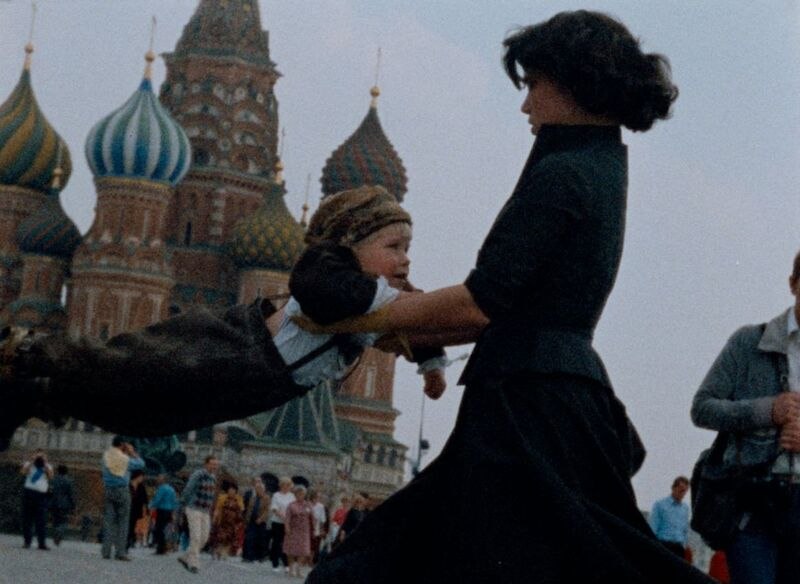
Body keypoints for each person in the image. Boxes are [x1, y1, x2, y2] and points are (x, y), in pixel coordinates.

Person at [299, 10, 715, 584]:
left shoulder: (563, 173)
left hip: (528, 406)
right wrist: (400, 327)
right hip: (551, 397)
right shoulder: (599, 164)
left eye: (534, 85)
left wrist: (360, 313)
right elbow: (499, 311)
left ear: (574, 83)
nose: (526, 105)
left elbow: (480, 303)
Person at [0, 186, 448, 453]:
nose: (405, 259)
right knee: (130, 368)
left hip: (261, 384)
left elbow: (418, 323)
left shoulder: (389, 298)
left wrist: (431, 367)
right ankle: (27, 352)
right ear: (349, 244)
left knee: (148, 418)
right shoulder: (330, 269)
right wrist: (380, 296)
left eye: (408, 249)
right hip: (234, 345)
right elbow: (321, 294)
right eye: (394, 247)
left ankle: (36, 396)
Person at [691, 250, 800, 584]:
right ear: (793, 284)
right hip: (753, 505)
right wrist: (767, 410)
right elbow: (702, 408)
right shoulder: (749, 343)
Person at [101, 436, 144, 561]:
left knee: (109, 521)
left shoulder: (106, 456)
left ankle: (106, 551)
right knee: (123, 522)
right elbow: (141, 464)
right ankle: (120, 552)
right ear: (122, 445)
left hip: (108, 490)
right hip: (122, 490)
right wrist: (132, 452)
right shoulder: (125, 459)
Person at [178, 455, 218, 574]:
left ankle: (186, 556)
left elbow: (212, 495)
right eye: (212, 464)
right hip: (194, 508)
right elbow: (189, 488)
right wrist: (183, 503)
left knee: (204, 538)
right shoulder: (198, 474)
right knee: (195, 536)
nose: (214, 466)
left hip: (205, 511)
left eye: (216, 465)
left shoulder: (213, 478)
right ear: (206, 464)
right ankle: (194, 563)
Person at [649, 476, 691, 558]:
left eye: (685, 491)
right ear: (673, 488)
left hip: (679, 549)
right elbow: (653, 528)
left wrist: (685, 546)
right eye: (681, 489)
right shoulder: (660, 505)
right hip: (663, 546)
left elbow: (685, 530)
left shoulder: (685, 509)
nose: (683, 493)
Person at [20, 448, 53, 550]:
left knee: (41, 520)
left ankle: (41, 543)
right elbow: (23, 472)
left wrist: (45, 464)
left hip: (41, 495)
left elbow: (51, 476)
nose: (40, 458)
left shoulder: (47, 466)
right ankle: (27, 541)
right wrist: (32, 462)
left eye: (42, 456)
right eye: (38, 455)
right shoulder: (28, 464)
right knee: (27, 519)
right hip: (29, 492)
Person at [283, 484, 313, 578]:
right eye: (298, 494)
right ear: (295, 494)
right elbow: (287, 518)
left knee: (303, 551)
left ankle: (298, 569)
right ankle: (291, 569)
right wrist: (287, 527)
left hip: (304, 531)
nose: (300, 495)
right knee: (291, 550)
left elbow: (312, 516)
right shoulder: (291, 505)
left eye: (302, 494)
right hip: (293, 530)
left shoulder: (308, 504)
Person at [210, 480, 244, 559]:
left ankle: (224, 553)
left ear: (236, 491)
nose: (231, 491)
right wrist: (215, 517)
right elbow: (217, 508)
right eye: (230, 489)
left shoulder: (239, 499)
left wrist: (239, 523)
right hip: (222, 521)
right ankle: (217, 551)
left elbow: (241, 510)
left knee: (229, 539)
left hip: (232, 523)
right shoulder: (222, 497)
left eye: (233, 490)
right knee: (220, 537)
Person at [269, 476, 295, 573]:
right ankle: (275, 564)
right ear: (281, 485)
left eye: (288, 485)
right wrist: (283, 517)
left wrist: (289, 519)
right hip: (277, 522)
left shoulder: (292, 496)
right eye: (284, 484)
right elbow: (274, 508)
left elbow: (293, 508)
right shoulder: (276, 495)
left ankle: (286, 564)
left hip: (288, 523)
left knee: (286, 543)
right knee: (276, 542)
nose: (286, 486)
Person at [241, 478, 270, 563]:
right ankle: (247, 556)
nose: (259, 491)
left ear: (264, 490)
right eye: (257, 489)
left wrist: (261, 518)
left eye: (261, 489)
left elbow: (267, 510)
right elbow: (249, 509)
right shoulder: (253, 498)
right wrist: (246, 519)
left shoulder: (266, 498)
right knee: (249, 538)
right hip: (251, 520)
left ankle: (259, 556)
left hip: (261, 521)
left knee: (260, 539)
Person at [149, 474, 178, 555]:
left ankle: (161, 548)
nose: (157, 479)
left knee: (158, 529)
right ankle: (162, 547)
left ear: (163, 480)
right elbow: (174, 501)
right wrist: (173, 512)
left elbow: (157, 499)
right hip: (169, 511)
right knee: (163, 529)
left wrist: (151, 506)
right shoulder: (172, 489)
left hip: (162, 510)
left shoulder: (161, 488)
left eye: (159, 478)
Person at [50, 464, 76, 546]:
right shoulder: (69, 481)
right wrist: (73, 505)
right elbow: (71, 494)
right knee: (64, 521)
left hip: (54, 503)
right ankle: (59, 531)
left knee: (55, 520)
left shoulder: (53, 480)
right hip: (65, 503)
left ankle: (56, 532)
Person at [127, 469, 148, 550]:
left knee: (132, 525)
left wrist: (146, 509)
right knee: (128, 525)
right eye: (141, 477)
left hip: (136, 509)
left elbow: (145, 499)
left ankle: (130, 541)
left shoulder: (141, 487)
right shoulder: (128, 484)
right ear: (137, 476)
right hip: (128, 508)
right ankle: (127, 541)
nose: (142, 479)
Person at [308, 489, 327, 564]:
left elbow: (322, 519)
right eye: (316, 497)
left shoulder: (321, 506)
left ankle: (310, 560)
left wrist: (322, 530)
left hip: (316, 527)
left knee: (314, 545)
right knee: (306, 543)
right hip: (307, 527)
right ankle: (304, 559)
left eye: (319, 497)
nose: (317, 498)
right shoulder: (307, 504)